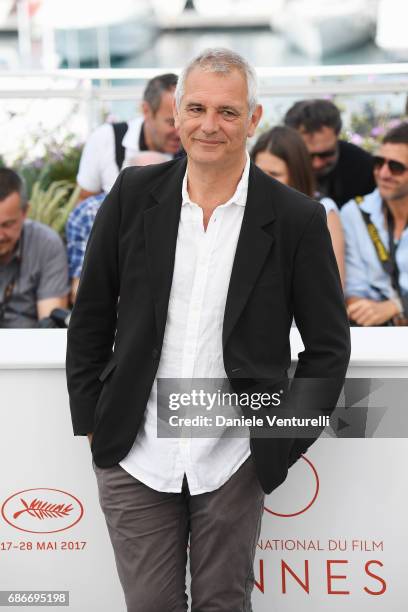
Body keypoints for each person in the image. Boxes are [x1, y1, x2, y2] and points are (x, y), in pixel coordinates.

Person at [66, 48, 350, 611]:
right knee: (150, 605)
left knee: (223, 604)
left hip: (235, 455)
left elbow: (328, 349)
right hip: (134, 449)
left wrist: (279, 442)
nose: (209, 125)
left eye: (227, 111)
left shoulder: (295, 219)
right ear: (175, 113)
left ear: (253, 118)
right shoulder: (130, 196)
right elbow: (91, 314)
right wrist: (93, 421)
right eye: (196, 108)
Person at [67, 151, 169, 302]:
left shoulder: (179, 212)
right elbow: (81, 290)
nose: (152, 191)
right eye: (144, 181)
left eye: (160, 183)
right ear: (125, 181)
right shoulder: (89, 212)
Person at [251, 125, 345, 286]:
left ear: (296, 173)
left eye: (274, 174)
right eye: (259, 172)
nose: (264, 181)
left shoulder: (323, 210)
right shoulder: (242, 208)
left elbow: (334, 286)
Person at [341, 121, 408, 326]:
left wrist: (397, 306)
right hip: (375, 333)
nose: (384, 173)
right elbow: (353, 288)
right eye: (379, 162)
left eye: (396, 167)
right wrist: (365, 310)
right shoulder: (354, 211)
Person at [76, 73, 181, 201]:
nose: (180, 133)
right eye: (171, 122)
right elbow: (84, 203)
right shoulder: (105, 138)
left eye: (185, 122)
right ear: (146, 111)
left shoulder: (195, 147)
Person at [0, 168, 69, 328]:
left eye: (7, 225)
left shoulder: (46, 243)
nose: (0, 236)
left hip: (31, 345)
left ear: (25, 212)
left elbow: (51, 323)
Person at [284, 99, 376, 207]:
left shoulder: (363, 166)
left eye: (326, 154)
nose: (316, 163)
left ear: (337, 134)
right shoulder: (278, 165)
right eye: (306, 155)